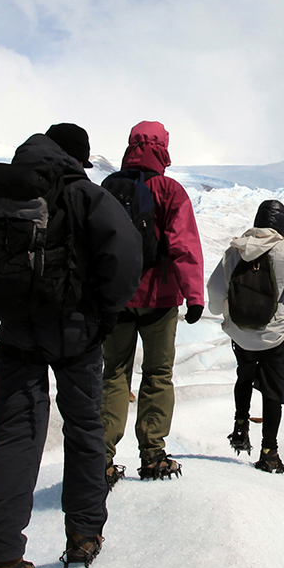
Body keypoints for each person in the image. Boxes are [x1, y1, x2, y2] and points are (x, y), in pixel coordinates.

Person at [0, 125, 140, 568]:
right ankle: (84, 536)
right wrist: (103, 314)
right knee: (84, 427)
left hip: (17, 335)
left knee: (15, 435)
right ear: (77, 158)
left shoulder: (5, 192)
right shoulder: (85, 195)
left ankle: (5, 559)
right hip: (76, 333)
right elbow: (125, 259)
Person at [99, 121, 205, 486]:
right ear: (163, 147)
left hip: (116, 299)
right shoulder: (170, 190)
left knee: (113, 374)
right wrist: (194, 295)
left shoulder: (109, 188)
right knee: (157, 374)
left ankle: (101, 458)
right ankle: (153, 455)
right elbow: (183, 245)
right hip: (159, 299)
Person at [206, 199, 284, 473]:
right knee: (273, 391)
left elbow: (216, 286)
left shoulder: (236, 248)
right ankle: (269, 451)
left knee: (244, 376)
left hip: (241, 332)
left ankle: (240, 425)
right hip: (275, 335)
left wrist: (221, 311)